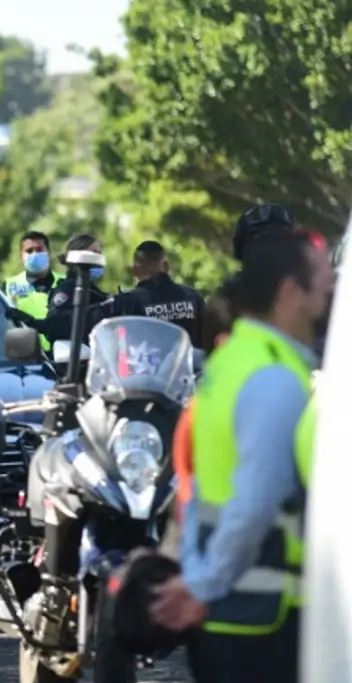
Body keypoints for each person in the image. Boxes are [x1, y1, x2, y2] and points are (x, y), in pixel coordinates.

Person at [149, 231, 333, 683]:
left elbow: (195, 489)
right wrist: (201, 585)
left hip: (226, 612)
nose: (334, 288)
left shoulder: (229, 364)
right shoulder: (274, 378)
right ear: (293, 291)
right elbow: (254, 503)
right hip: (262, 619)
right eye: (325, 279)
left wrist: (197, 577)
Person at [129, 240, 206, 348]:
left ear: (135, 270)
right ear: (166, 266)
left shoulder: (129, 302)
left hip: (151, 364)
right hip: (190, 364)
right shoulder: (193, 297)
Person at [4, 230, 63, 350]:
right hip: (25, 356)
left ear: (48, 253)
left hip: (62, 356)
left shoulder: (65, 283)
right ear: (22, 256)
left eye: (39, 249)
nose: (35, 254)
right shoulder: (9, 286)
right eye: (29, 251)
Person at [47, 233, 109, 316]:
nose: (98, 257)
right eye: (94, 253)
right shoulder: (67, 289)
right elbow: (58, 322)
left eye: (99, 253)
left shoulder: (93, 290)